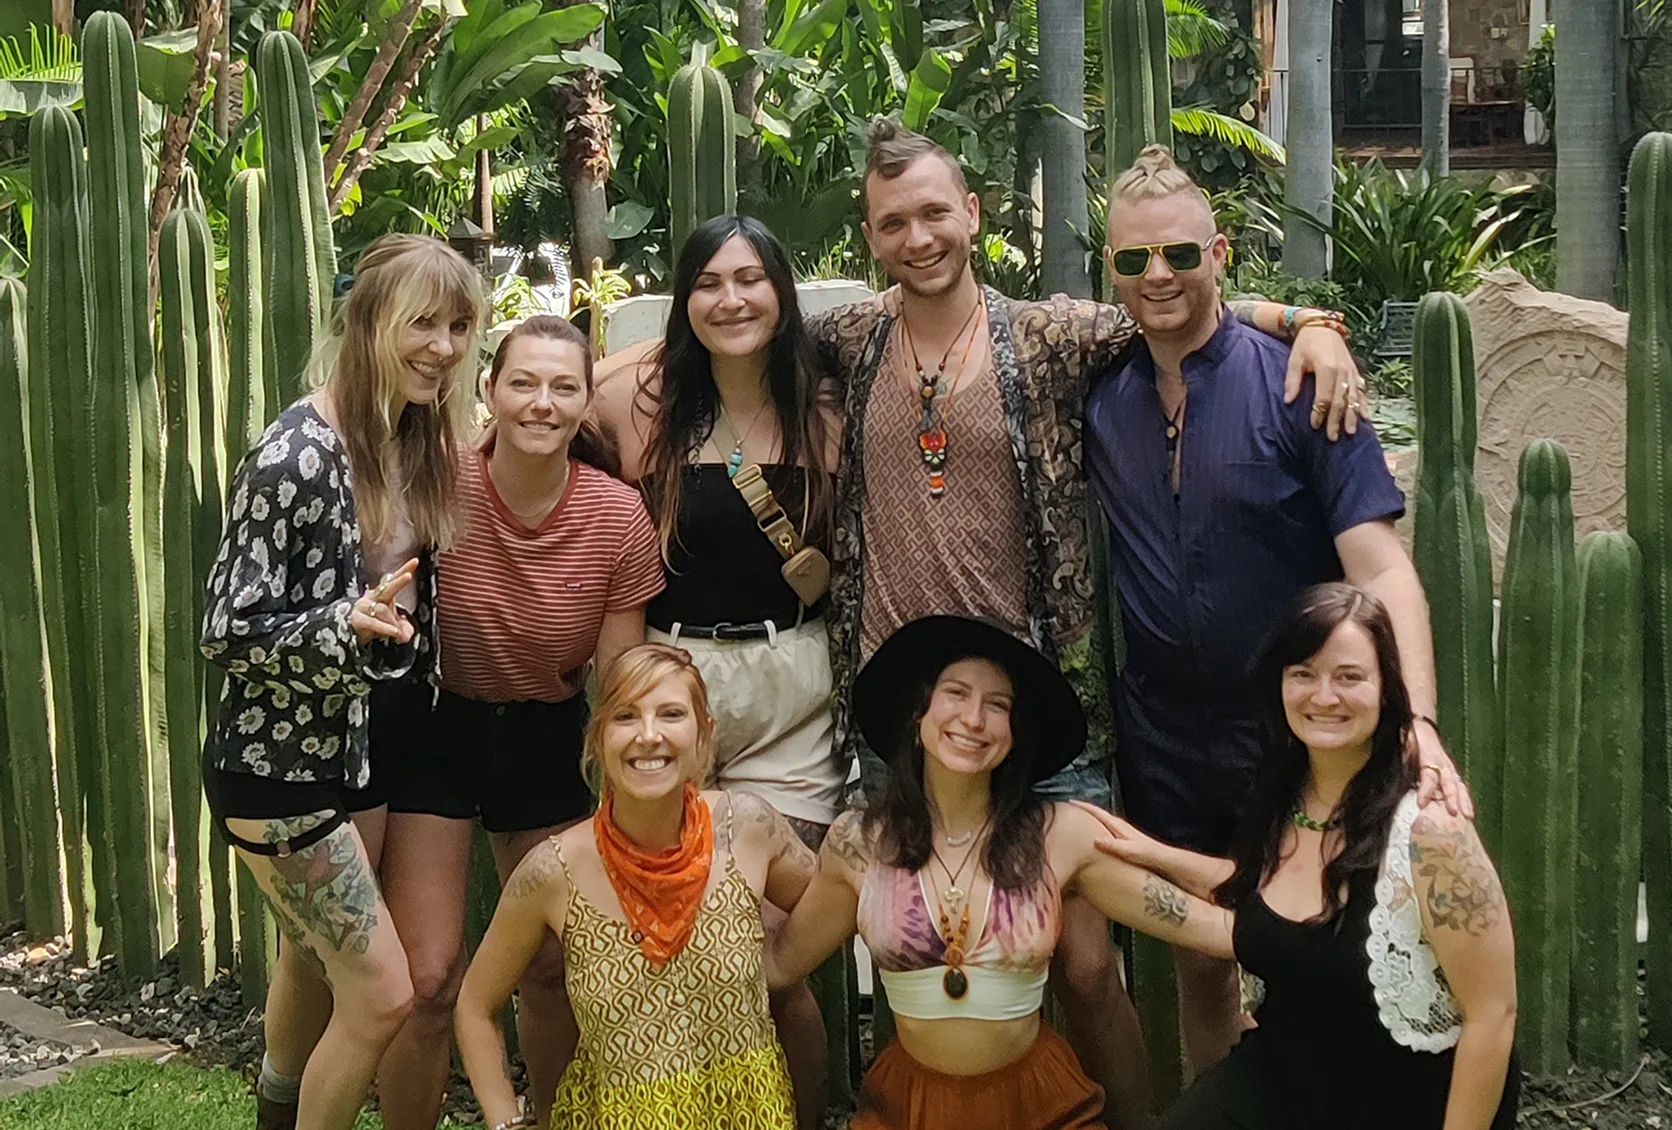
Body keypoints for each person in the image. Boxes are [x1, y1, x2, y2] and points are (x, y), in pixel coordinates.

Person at [800, 117, 1367, 1127]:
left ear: (972, 213)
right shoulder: (851, 338)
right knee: (923, 947)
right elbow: (725, 339)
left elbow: (1176, 301)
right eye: (893, 223)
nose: (918, 237)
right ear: (872, 235)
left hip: (1037, 703)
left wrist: (1312, 320)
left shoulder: (1049, 333)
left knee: (1089, 963)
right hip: (903, 706)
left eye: (934, 213)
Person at [1085, 144, 1467, 1072]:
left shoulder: (1301, 385)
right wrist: (1303, 313)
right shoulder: (1099, 389)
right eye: (1135, 258)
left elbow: (1383, 569)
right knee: (1202, 959)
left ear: (1219, 254)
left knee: (1336, 950)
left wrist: (1416, 724)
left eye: (1181, 253)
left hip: (1302, 729)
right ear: (1112, 271)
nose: (1158, 275)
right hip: (1163, 733)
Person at [199, 233, 483, 1130]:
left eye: (458, 327)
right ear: (365, 322)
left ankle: (277, 1109)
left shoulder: (415, 437)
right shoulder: (295, 454)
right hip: (279, 765)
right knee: (381, 995)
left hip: (363, 745)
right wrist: (338, 626)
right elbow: (225, 627)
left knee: (316, 962)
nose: (443, 347)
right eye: (422, 324)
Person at [764, 614, 1237, 1130]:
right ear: (918, 715)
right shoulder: (861, 843)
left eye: (997, 706)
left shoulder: (1060, 835)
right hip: (912, 1107)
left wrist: (1293, 927)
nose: (973, 719)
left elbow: (1210, 929)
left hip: (1038, 1104)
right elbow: (781, 966)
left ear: (1013, 736)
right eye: (956, 694)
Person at [370, 316, 665, 1130]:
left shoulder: (616, 517)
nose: (542, 402)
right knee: (429, 979)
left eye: (564, 387)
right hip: (435, 727)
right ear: (490, 392)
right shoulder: (438, 484)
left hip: (545, 734)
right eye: (523, 383)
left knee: (548, 965)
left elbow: (620, 679)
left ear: (585, 403)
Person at [1080, 583, 1517, 1130]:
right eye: (1304, 673)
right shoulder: (1284, 794)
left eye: (1349, 677)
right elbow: (1264, 892)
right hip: (1284, 1073)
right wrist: (1152, 853)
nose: (1324, 696)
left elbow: (1493, 1015)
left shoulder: (1431, 833)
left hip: (1402, 1102)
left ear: (1389, 688)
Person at [593, 213, 840, 1128]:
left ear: (782, 291)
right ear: (684, 299)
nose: (730, 300)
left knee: (770, 943)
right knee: (668, 938)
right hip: (673, 686)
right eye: (708, 283)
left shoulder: (827, 403)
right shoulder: (636, 403)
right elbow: (528, 424)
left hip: (792, 692)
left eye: (750, 279)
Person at [455, 643, 820, 1130]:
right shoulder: (552, 872)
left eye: (671, 714)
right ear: (598, 738)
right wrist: (506, 1122)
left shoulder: (749, 828)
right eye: (626, 716)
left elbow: (831, 897)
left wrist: (780, 960)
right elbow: (475, 1006)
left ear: (704, 734)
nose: (648, 736)